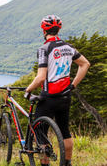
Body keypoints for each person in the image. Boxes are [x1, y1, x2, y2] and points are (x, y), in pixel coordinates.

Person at [24, 15, 90, 166]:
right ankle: (67, 163)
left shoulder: (44, 49)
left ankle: (44, 164)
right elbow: (85, 64)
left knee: (40, 133)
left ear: (44, 30)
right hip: (65, 96)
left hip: (49, 97)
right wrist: (73, 85)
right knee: (65, 131)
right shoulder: (69, 47)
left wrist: (28, 90)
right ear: (58, 29)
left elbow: (41, 78)